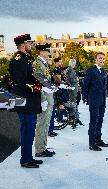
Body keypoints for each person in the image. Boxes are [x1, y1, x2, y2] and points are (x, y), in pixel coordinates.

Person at [9, 34, 43, 168]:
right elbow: (20, 82)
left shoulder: (25, 59)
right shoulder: (19, 60)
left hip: (28, 101)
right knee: (27, 129)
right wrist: (39, 86)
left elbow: (30, 78)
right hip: (24, 100)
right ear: (23, 45)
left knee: (30, 129)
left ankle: (28, 157)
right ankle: (25, 159)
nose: (32, 46)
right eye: (30, 44)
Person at [83, 52, 108, 151]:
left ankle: (98, 140)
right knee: (93, 121)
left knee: (100, 120)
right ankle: (92, 143)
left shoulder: (103, 71)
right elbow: (86, 86)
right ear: (96, 59)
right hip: (94, 100)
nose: (102, 60)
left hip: (102, 100)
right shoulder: (91, 70)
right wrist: (85, 98)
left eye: (103, 59)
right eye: (100, 58)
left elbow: (105, 86)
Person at [33, 43, 56, 157]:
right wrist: (43, 98)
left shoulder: (44, 63)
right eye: (47, 51)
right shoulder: (37, 63)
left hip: (48, 96)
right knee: (42, 123)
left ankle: (43, 147)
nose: (49, 53)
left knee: (46, 124)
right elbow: (38, 80)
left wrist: (53, 86)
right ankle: (39, 150)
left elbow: (47, 80)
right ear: (42, 51)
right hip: (44, 97)